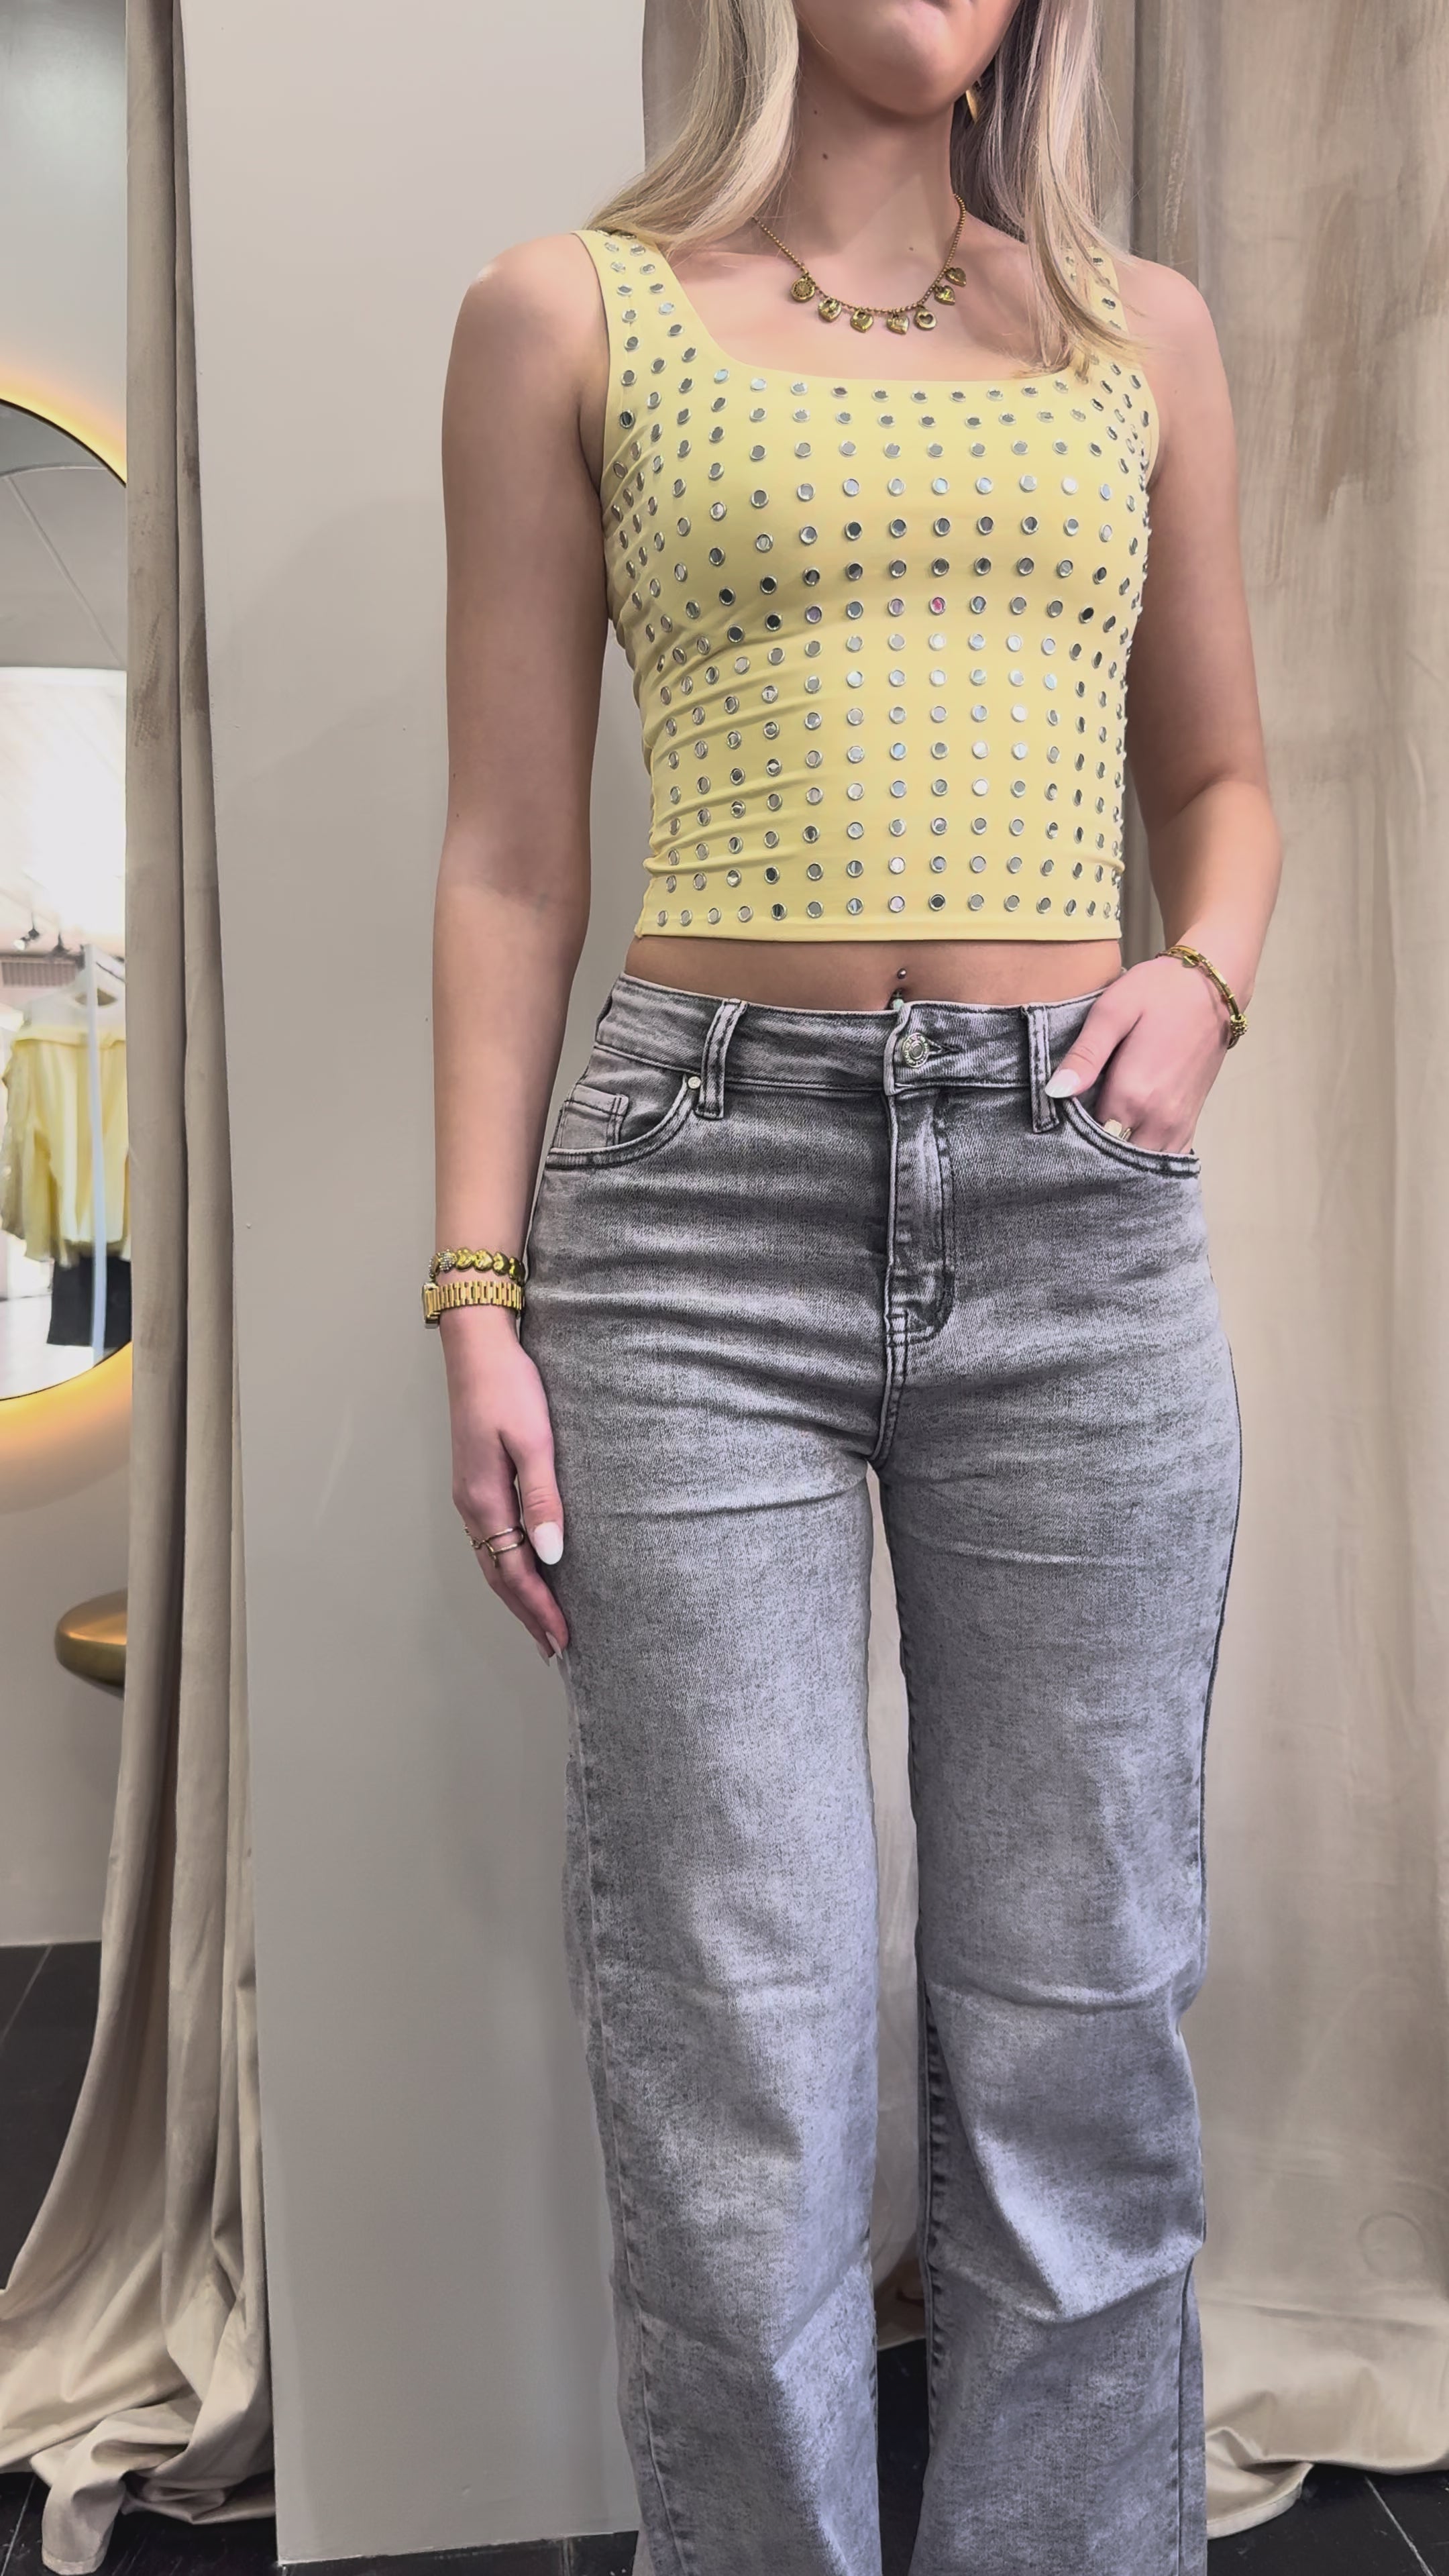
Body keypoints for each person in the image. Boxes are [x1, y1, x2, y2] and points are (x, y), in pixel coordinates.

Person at [427, 0, 1280, 2566]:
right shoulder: (568, 314)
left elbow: (1220, 779)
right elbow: (507, 853)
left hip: (1075, 1223)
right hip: (696, 1226)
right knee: (743, 2048)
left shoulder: (1142, 331)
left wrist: (1200, 982)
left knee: (1080, 2025)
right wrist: (477, 1287)